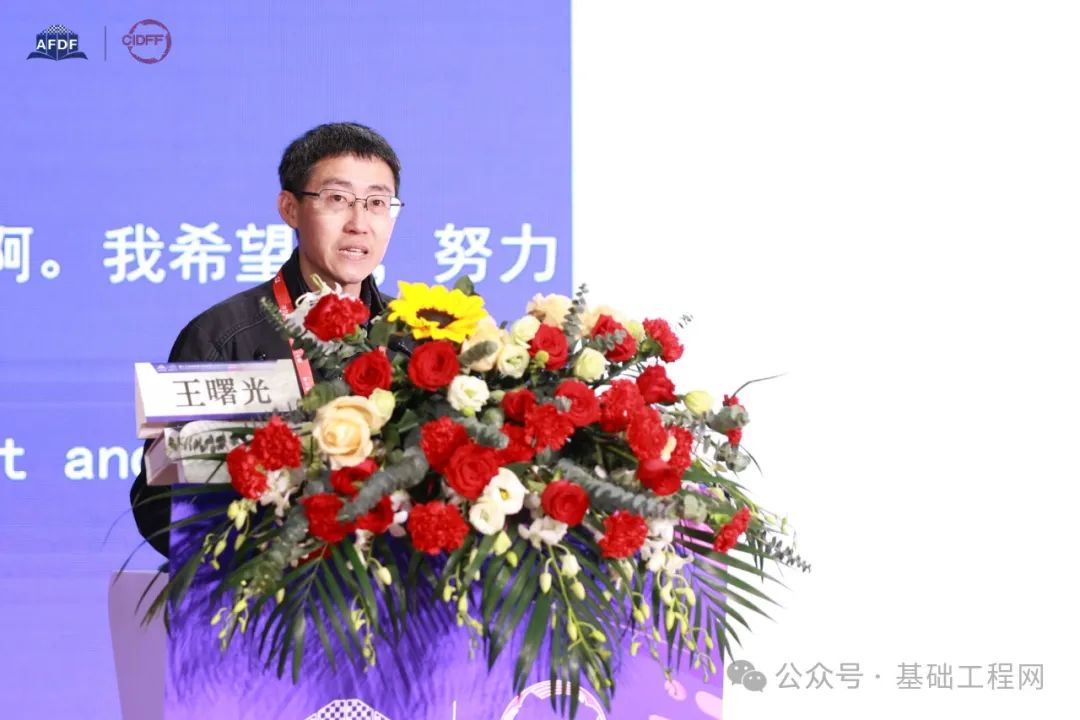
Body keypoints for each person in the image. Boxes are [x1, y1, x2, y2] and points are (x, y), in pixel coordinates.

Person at [130, 122, 404, 557]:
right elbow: (159, 501)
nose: (359, 223)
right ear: (290, 208)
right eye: (337, 199)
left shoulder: (418, 340)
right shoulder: (223, 335)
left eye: (376, 203)